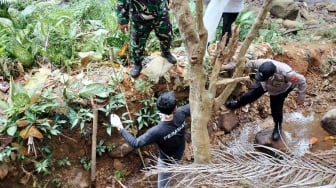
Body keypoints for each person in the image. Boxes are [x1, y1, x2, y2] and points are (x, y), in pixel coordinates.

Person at [110, 91, 190, 188]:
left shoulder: (156, 132)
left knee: (163, 186)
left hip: (167, 162)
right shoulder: (181, 112)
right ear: (175, 107)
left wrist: (119, 126)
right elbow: (193, 106)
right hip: (179, 152)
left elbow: (135, 143)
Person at [225, 59, 307, 141]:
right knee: (249, 95)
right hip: (264, 84)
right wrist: (231, 66)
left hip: (280, 90)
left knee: (276, 109)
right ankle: (236, 105)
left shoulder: (288, 74)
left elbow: (301, 80)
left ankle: (277, 127)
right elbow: (245, 63)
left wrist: (301, 96)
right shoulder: (260, 63)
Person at [117, 0, 177, 78]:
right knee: (137, 43)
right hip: (139, 16)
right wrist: (122, 20)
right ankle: (137, 63)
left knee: (166, 35)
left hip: (161, 13)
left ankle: (166, 52)